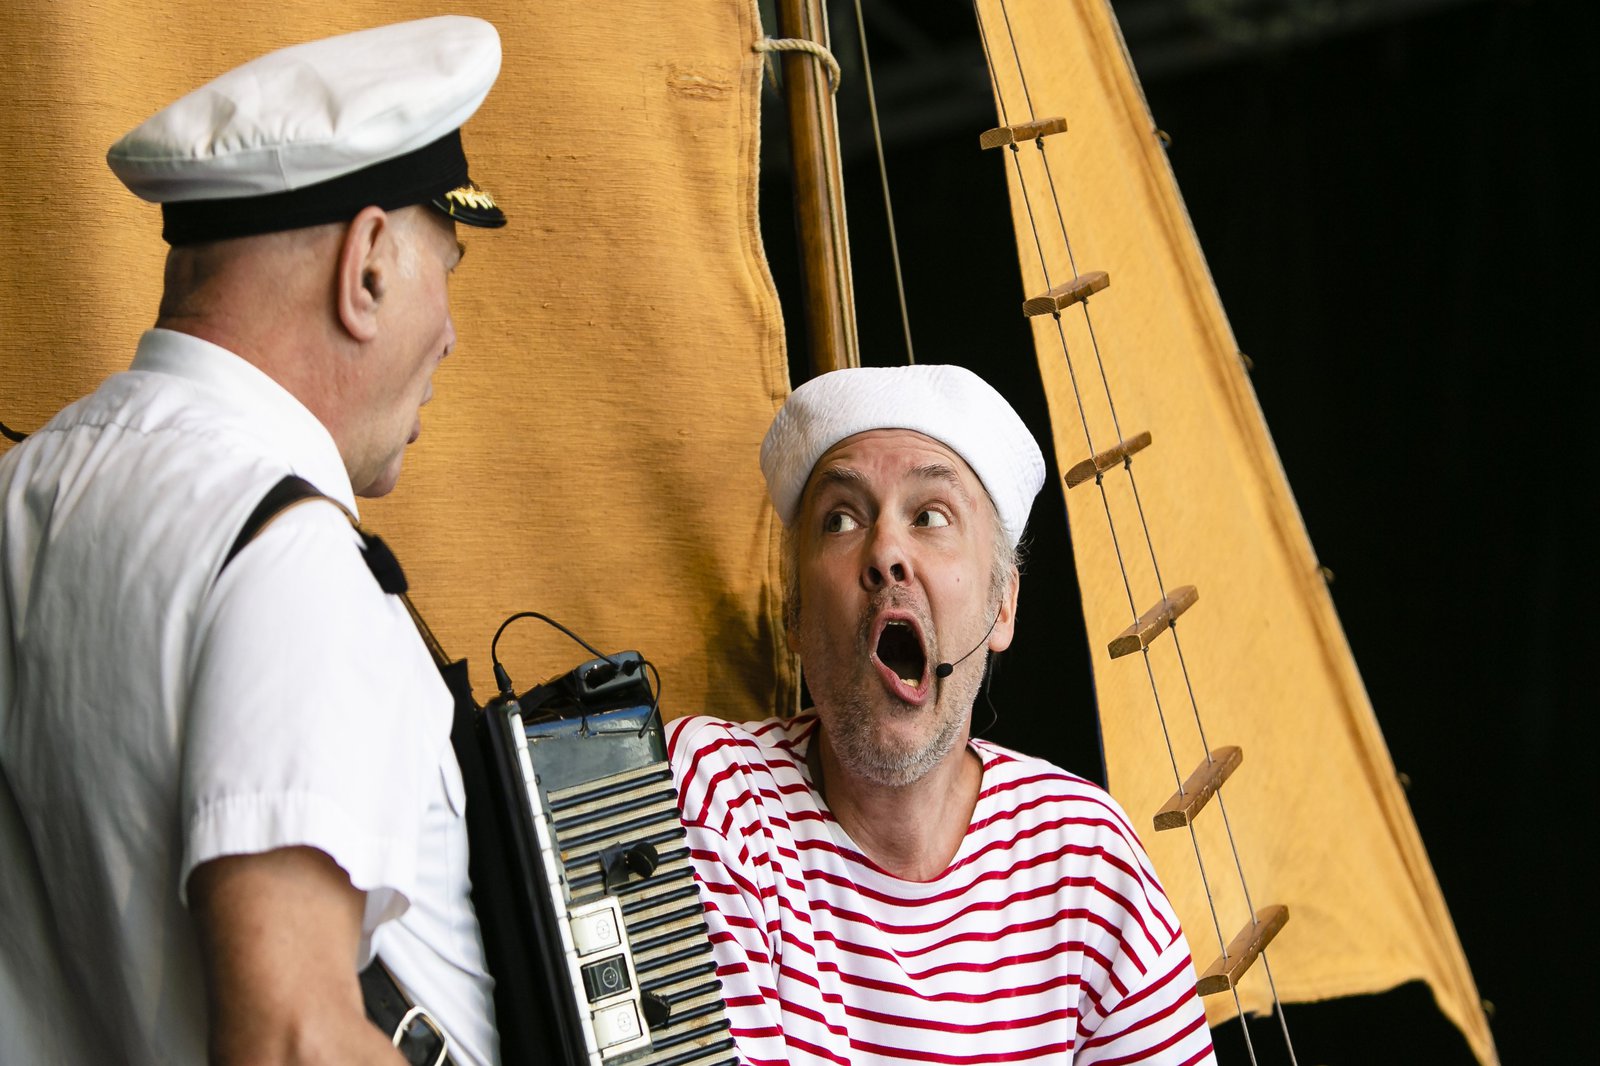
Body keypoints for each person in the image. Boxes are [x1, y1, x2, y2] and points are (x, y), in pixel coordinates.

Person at [0, 17, 510, 1065]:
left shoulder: (21, 491)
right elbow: (292, 1040)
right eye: (443, 268)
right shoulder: (286, 554)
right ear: (366, 267)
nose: (450, 332)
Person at [668, 364, 1218, 1065]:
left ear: (1003, 604)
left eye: (930, 516)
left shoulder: (1087, 863)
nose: (887, 552)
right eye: (841, 519)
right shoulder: (715, 797)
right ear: (795, 614)